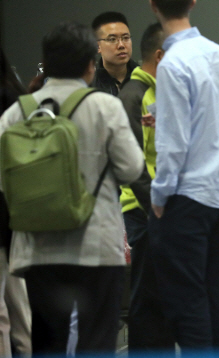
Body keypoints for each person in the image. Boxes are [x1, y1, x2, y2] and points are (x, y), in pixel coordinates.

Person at [0, 22, 144, 353]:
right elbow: (131, 168)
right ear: (89, 65)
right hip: (96, 245)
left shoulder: (15, 113)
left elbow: (4, 183)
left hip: (37, 248)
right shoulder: (104, 107)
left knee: (48, 343)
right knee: (97, 341)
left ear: (46, 63)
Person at [147, 0, 219, 350]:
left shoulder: (172, 63)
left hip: (186, 201)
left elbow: (173, 145)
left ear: (153, 6)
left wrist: (158, 197)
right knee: (215, 301)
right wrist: (215, 156)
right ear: (192, 3)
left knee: (187, 306)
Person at [117, 22, 173, 350]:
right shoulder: (133, 96)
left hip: (160, 207)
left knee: (162, 296)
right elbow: (133, 165)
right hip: (143, 211)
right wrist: (156, 207)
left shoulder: (159, 91)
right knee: (146, 298)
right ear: (160, 54)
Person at [0, 47, 31, 357]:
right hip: (20, 215)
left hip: (6, 213)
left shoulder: (9, 100)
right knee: (19, 308)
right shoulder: (18, 96)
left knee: (5, 314)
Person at [91, 12, 138, 95]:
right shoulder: (90, 84)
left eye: (126, 38)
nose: (121, 45)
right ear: (97, 46)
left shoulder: (143, 78)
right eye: (112, 39)